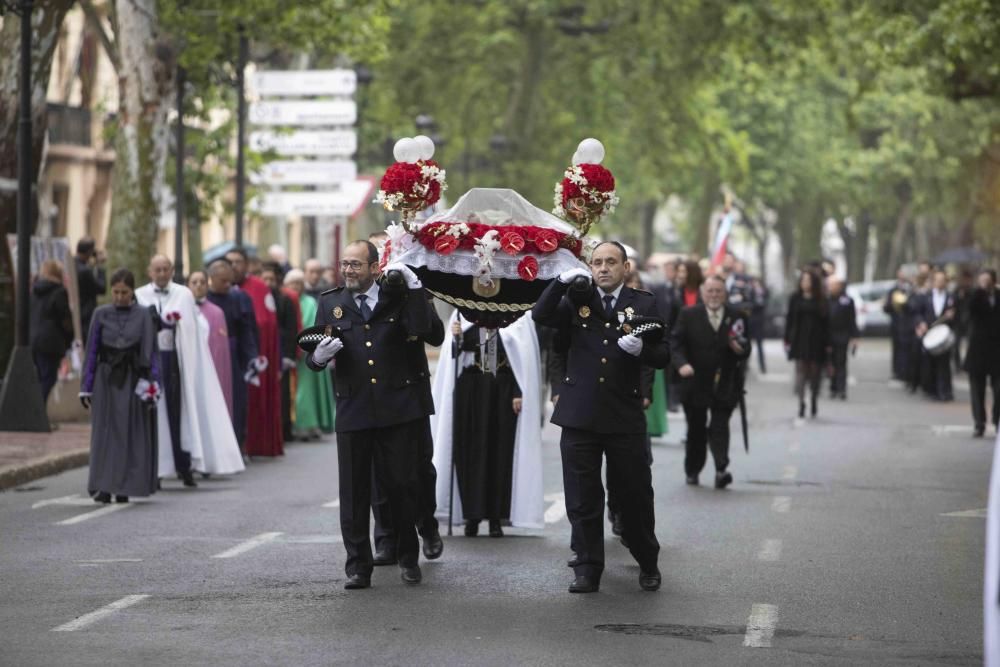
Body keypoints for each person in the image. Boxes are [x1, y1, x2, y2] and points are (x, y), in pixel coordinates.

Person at [532, 241, 668, 594]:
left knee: (634, 495)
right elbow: (541, 315)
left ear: (625, 267)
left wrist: (643, 349)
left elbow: (664, 353)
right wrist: (561, 281)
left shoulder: (644, 303)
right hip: (581, 415)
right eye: (597, 263)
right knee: (582, 498)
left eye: (611, 262)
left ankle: (647, 558)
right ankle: (587, 566)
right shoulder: (577, 299)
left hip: (623, 415)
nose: (603, 268)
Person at [305, 241, 442, 589]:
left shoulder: (397, 295)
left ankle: (408, 557)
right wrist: (319, 357)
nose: (348, 270)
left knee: (401, 487)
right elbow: (314, 357)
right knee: (353, 493)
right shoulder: (330, 302)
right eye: (345, 264)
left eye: (356, 265)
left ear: (375, 268)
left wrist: (414, 289)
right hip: (354, 409)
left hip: (397, 409)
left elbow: (431, 334)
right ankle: (357, 566)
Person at [431, 312, 544, 539]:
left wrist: (517, 391)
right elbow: (453, 356)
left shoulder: (516, 313)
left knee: (499, 453)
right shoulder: (463, 313)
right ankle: (471, 516)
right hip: (470, 389)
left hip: (502, 390)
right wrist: (457, 338)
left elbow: (522, 358)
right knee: (469, 453)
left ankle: (495, 518)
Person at [137, 256, 244, 481]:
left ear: (172, 271)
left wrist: (174, 326)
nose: (162, 274)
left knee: (181, 412)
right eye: (158, 269)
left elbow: (192, 329)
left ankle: (185, 464)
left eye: (166, 269)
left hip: (178, 363)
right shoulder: (140, 295)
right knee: (156, 414)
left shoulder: (183, 294)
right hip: (153, 361)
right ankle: (156, 467)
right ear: (150, 271)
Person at [78, 268, 159, 503]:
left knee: (128, 433)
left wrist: (153, 384)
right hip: (106, 379)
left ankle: (124, 486)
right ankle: (103, 486)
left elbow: (151, 352)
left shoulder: (144, 315)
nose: (120, 297)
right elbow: (91, 352)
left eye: (124, 292)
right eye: (115, 292)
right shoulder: (100, 314)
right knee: (104, 433)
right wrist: (86, 385)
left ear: (132, 291)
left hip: (133, 379)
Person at [671, 275, 751, 488]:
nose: (714, 295)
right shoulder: (689, 314)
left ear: (725, 294)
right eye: (710, 291)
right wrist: (681, 365)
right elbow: (675, 344)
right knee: (696, 429)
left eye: (719, 291)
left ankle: (721, 469)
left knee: (719, 426)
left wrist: (741, 349)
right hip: (695, 382)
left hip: (725, 383)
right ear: (702, 293)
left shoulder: (736, 315)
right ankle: (693, 470)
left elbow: (746, 346)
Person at [226, 247, 283, 457]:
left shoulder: (260, 289)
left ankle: (252, 445)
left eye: (237, 262)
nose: (233, 266)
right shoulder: (216, 289)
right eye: (229, 262)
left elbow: (270, 326)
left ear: (246, 265)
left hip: (254, 355)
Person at [206, 259, 260, 450]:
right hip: (209, 357)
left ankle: (235, 445)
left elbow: (246, 331)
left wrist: (252, 356)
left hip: (233, 357)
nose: (228, 285)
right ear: (211, 279)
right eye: (223, 281)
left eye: (230, 281)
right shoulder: (204, 300)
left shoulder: (238, 298)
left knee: (237, 402)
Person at [283, 269, 335, 438]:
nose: (296, 287)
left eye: (299, 283)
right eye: (292, 283)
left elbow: (311, 324)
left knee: (308, 392)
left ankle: (311, 425)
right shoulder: (286, 301)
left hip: (308, 350)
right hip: (292, 351)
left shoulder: (309, 302)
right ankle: (297, 425)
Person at [261, 262, 301, 444]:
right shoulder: (259, 299)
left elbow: (292, 329)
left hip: (282, 353)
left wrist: (289, 355)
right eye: (265, 279)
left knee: (283, 395)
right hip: (264, 354)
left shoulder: (285, 300)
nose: (268, 282)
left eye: (271, 279)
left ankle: (284, 430)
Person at [188, 270, 234, 421]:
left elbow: (221, 348)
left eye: (202, 282)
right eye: (194, 282)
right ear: (188, 286)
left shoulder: (217, 313)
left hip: (212, 366)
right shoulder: (182, 311)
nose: (198, 286)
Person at [784, 269, 830, 418]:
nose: (805, 283)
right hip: (799, 339)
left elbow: (827, 323)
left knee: (815, 373)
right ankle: (802, 402)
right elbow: (789, 319)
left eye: (808, 281)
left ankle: (814, 398)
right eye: (803, 280)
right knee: (801, 372)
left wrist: (829, 343)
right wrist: (786, 339)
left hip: (817, 340)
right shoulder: (795, 298)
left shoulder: (821, 299)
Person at [30, 260, 74, 403]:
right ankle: (37, 413)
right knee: (49, 378)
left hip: (33, 341)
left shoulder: (34, 291)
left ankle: (38, 414)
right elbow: (65, 319)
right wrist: (69, 339)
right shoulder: (59, 291)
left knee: (39, 379)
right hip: (51, 342)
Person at [966, 269, 1000, 437]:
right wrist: (980, 290)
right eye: (982, 280)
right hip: (978, 350)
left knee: (998, 389)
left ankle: (997, 419)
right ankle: (979, 423)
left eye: (988, 280)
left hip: (996, 351)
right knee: (977, 390)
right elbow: (970, 310)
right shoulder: (975, 295)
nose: (985, 283)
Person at [916, 269, 956, 402]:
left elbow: (959, 315)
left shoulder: (951, 297)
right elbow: (918, 313)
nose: (940, 283)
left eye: (942, 280)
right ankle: (931, 389)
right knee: (930, 363)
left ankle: (945, 391)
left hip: (944, 334)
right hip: (930, 333)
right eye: (937, 280)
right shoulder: (925, 296)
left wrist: (952, 317)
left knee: (944, 364)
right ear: (933, 282)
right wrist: (921, 324)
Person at [826, 277, 859, 400]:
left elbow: (852, 320)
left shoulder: (847, 301)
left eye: (834, 285)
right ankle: (833, 387)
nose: (831, 288)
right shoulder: (827, 300)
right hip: (828, 337)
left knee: (841, 363)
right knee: (831, 363)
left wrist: (855, 337)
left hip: (842, 336)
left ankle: (841, 388)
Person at [75, 237, 106, 345]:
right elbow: (101, 288)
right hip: (86, 315)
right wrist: (100, 267)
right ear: (89, 252)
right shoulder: (85, 271)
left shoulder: (72, 264)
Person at [884, 269, 913, 381]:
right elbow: (887, 307)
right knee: (896, 348)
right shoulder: (893, 290)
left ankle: (905, 371)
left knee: (906, 349)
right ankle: (897, 371)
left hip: (907, 324)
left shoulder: (910, 288)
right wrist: (891, 304)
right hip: (896, 324)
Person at [749, 276, 769, 374]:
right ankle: (746, 366)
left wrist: (760, 293)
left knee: (760, 344)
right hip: (750, 321)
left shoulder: (764, 292)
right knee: (747, 344)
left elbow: (763, 303)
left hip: (759, 321)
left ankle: (762, 366)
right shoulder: (750, 292)